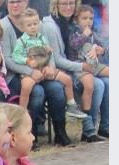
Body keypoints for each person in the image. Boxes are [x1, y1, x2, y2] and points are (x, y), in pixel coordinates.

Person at [1, 0, 70, 147]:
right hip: (18, 73)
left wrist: (51, 67)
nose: (15, 5)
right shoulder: (4, 26)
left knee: (57, 89)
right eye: (11, 2)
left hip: (43, 71)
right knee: (37, 92)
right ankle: (31, 135)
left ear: (26, 2)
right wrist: (30, 71)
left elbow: (49, 51)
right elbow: (7, 59)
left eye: (18, 1)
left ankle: (60, 133)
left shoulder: (39, 24)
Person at [41, 0, 107, 141]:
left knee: (106, 82)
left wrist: (100, 50)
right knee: (98, 85)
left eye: (71, 3)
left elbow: (98, 42)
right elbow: (59, 59)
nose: (68, 7)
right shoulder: (51, 26)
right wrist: (82, 66)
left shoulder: (73, 22)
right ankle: (88, 130)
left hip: (82, 65)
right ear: (56, 5)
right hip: (63, 69)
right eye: (63, 4)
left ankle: (102, 127)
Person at [11, 8, 84, 118]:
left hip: (45, 69)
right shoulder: (21, 41)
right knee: (26, 87)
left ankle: (71, 105)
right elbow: (15, 56)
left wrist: (49, 55)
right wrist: (27, 60)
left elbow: (50, 54)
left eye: (35, 24)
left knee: (67, 79)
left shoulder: (42, 39)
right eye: (29, 25)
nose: (33, 27)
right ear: (22, 27)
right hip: (31, 71)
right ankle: (22, 112)